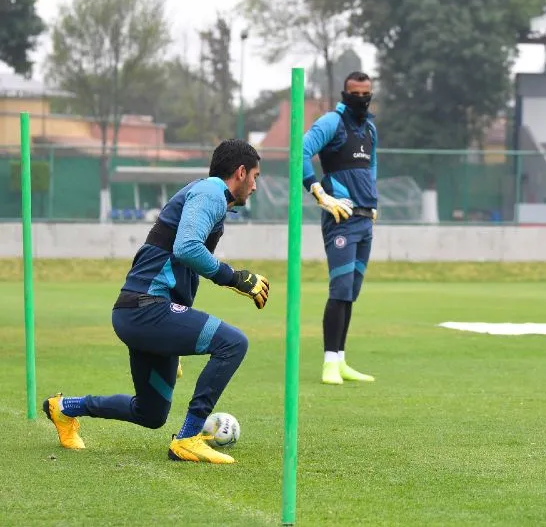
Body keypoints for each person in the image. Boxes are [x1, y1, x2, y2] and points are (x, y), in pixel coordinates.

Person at [42, 139, 270, 464]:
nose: (256, 186)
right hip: (147, 309)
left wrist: (172, 334)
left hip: (140, 312)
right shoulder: (211, 193)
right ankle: (189, 438)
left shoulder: (207, 197)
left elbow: (180, 263)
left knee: (151, 413)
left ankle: (63, 408)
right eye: (256, 176)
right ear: (241, 171)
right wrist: (235, 278)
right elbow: (187, 248)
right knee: (233, 343)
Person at [302, 71, 378, 385]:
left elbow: (372, 166)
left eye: (366, 94)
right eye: (355, 94)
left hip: (365, 218)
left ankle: (342, 360)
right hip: (340, 219)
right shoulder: (331, 123)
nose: (361, 99)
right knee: (339, 290)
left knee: (351, 294)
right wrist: (319, 193)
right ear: (344, 94)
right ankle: (329, 363)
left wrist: (374, 199)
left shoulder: (370, 128)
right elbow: (301, 153)